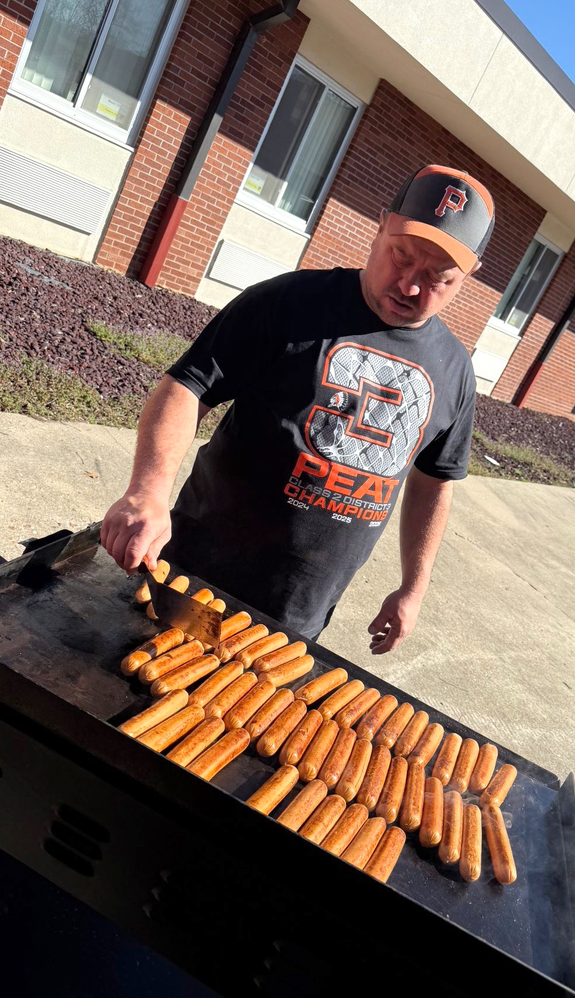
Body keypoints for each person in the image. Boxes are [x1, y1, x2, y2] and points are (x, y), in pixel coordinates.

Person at [101, 164, 494, 653]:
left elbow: (436, 482)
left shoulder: (455, 371)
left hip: (301, 608)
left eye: (438, 277)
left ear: (469, 276)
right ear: (381, 225)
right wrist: (148, 491)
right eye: (401, 255)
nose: (410, 285)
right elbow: (188, 386)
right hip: (195, 570)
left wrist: (413, 588)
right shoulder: (288, 303)